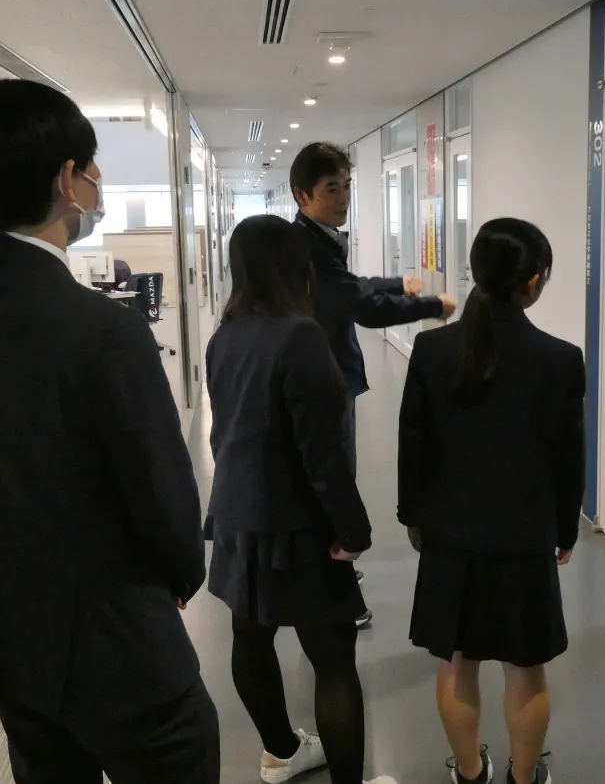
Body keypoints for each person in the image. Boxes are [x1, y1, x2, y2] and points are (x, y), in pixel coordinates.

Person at [0, 79, 217, 784]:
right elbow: (159, 483)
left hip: (11, 635)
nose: (97, 179)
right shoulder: (104, 328)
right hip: (118, 634)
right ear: (66, 182)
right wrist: (182, 572)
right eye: (91, 166)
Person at [204, 214, 398, 784]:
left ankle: (282, 753)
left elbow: (222, 435)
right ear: (294, 264)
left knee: (250, 637)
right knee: (333, 656)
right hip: (296, 523)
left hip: (238, 516)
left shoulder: (223, 337)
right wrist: (353, 529)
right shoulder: (300, 335)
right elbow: (321, 452)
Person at [397, 219, 585, 784]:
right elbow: (568, 457)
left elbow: (413, 443)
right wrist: (565, 530)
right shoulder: (559, 359)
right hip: (523, 538)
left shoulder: (432, 349)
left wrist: (414, 518)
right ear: (533, 282)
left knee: (457, 663)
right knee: (526, 670)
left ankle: (469, 772)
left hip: (451, 535)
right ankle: (523, 778)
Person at [290, 142, 457, 628]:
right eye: (331, 189)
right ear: (302, 195)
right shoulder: (311, 246)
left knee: (335, 474)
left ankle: (335, 568)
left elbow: (352, 287)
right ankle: (336, 590)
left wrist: (393, 283)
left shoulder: (318, 237)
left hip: (329, 371)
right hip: (326, 378)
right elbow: (360, 307)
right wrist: (432, 306)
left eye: (346, 186)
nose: (343, 197)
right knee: (334, 477)